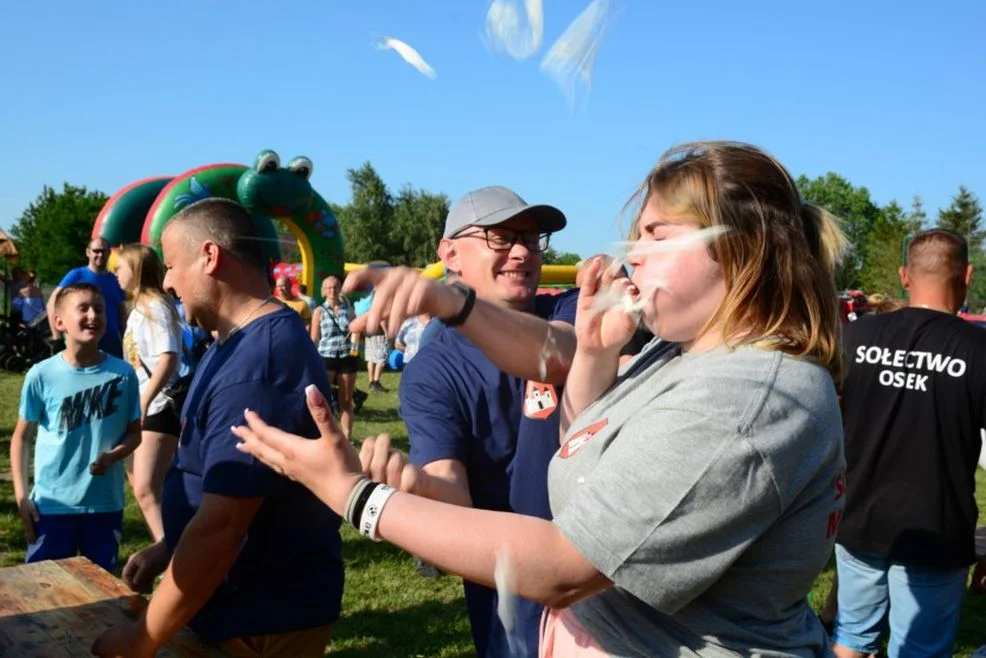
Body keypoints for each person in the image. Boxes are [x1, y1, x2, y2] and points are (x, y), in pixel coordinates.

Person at [234, 141, 848, 657]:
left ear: (740, 248)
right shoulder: (683, 352)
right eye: (501, 237)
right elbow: (582, 448)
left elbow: (564, 567)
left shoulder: (742, 397)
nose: (633, 255)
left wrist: (357, 496)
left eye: (656, 235)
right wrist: (595, 355)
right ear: (450, 253)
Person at [92, 198, 343, 658]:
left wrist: (138, 641)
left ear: (209, 257)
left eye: (170, 266)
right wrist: (170, 546)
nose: (166, 282)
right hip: (230, 604)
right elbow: (228, 488)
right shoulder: (230, 342)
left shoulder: (258, 363)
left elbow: (224, 525)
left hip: (260, 617)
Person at [832, 228, 986, 658]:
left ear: (904, 275)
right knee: (919, 649)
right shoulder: (979, 349)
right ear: (967, 275)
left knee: (850, 637)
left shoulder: (856, 338)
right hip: (935, 528)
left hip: (859, 516)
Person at [9, 283, 142, 573]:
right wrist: (22, 496)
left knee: (102, 596)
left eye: (100, 309)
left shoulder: (123, 374)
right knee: (45, 592)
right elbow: (21, 438)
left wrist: (114, 455)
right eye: (83, 308)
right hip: (52, 505)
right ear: (59, 322)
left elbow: (135, 433)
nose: (93, 315)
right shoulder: (41, 375)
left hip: (104, 505)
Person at [116, 244, 183, 543]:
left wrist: (143, 402)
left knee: (146, 488)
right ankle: (167, 547)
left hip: (156, 406)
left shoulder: (155, 306)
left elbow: (168, 358)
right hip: (141, 405)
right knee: (144, 487)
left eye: (121, 267)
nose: (116, 272)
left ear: (137, 270)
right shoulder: (137, 309)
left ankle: (170, 556)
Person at [48, 237, 126, 357]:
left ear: (109, 253)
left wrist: (126, 341)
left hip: (111, 347)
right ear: (88, 252)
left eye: (104, 251)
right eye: (96, 251)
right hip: (81, 345)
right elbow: (53, 303)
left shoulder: (115, 280)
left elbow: (122, 313)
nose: (100, 254)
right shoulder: (76, 276)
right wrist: (57, 337)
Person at [311, 275, 359, 440]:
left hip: (347, 356)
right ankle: (324, 435)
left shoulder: (349, 309)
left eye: (336, 286)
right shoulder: (319, 311)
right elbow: (314, 338)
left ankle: (347, 437)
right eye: (329, 287)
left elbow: (356, 330)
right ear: (324, 291)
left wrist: (355, 343)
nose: (332, 290)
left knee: (346, 399)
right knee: (323, 398)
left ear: (340, 289)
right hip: (327, 356)